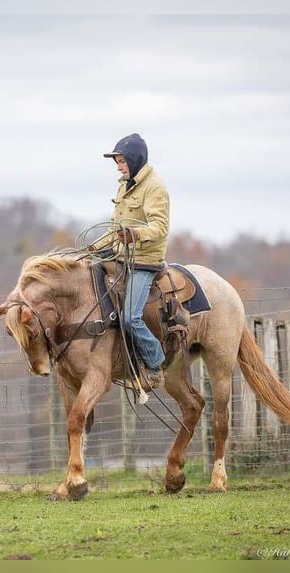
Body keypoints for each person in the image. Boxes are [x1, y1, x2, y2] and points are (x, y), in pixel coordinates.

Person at [92, 133, 170, 390]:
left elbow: (160, 226)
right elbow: (115, 228)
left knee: (130, 318)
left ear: (135, 160)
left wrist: (135, 234)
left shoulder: (154, 187)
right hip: (122, 254)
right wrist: (94, 247)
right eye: (117, 162)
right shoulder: (124, 185)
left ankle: (156, 364)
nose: (118, 166)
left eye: (122, 161)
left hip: (145, 260)